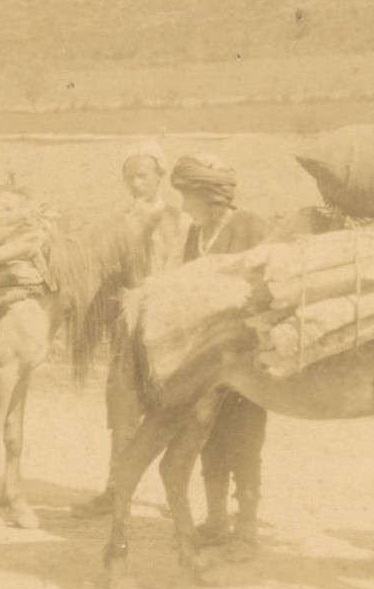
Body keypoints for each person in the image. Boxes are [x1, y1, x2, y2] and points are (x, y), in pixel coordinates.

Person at [70, 145, 189, 517]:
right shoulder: (118, 221)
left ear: (160, 177)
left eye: (144, 176)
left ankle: (176, 490)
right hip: (129, 326)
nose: (137, 184)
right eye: (130, 177)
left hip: (171, 322)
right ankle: (116, 488)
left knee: (177, 406)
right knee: (122, 408)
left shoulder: (180, 220)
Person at [172, 153, 272, 558]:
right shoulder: (195, 237)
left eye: (188, 196)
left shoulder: (251, 227)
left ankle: (246, 529)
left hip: (248, 357)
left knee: (245, 440)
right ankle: (216, 519)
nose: (182, 206)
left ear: (212, 196)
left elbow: (272, 282)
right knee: (207, 435)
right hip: (209, 359)